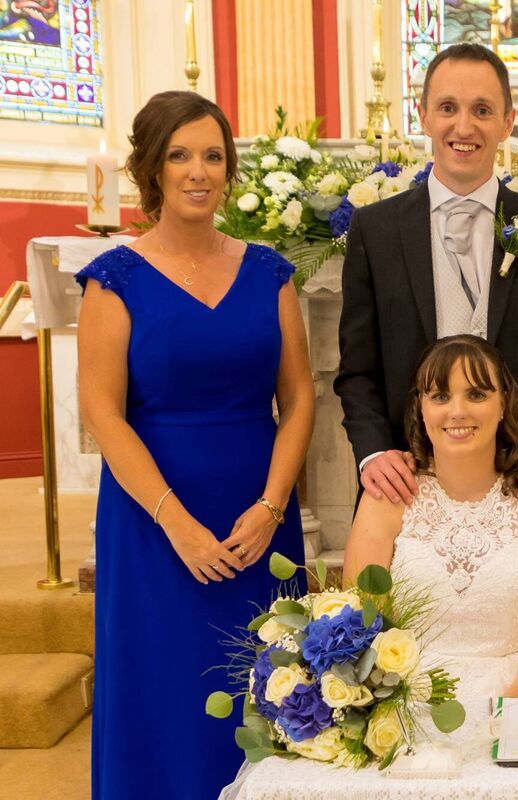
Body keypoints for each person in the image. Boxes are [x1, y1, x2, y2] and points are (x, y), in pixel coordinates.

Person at [77, 91, 313, 800]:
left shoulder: (270, 273)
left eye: (213, 155)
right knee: (164, 687)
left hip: (256, 512)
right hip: (154, 520)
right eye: (179, 155)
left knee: (267, 687)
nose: (198, 171)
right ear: (151, 169)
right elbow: (103, 414)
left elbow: (299, 397)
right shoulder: (113, 280)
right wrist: (177, 524)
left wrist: (270, 508)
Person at [335, 43, 518, 510]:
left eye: (482, 110)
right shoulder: (375, 230)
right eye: (448, 108)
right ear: (424, 116)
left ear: (507, 123)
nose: (464, 126)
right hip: (404, 481)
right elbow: (358, 372)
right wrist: (373, 454)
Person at [342, 335, 518, 720]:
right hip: (409, 710)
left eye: (476, 395)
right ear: (420, 408)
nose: (457, 411)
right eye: (439, 396)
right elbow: (362, 631)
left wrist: (501, 718)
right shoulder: (386, 497)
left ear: (504, 403)